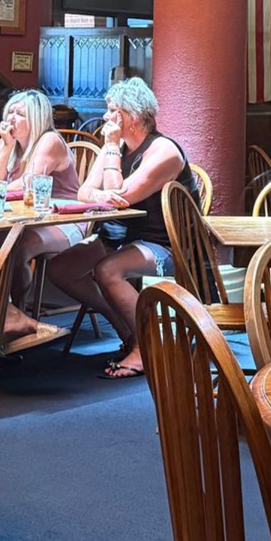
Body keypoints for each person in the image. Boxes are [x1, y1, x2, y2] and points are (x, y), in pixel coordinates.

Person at [47, 77, 196, 380]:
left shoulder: (163, 152)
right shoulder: (116, 147)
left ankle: (144, 347)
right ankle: (125, 328)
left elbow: (123, 196)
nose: (105, 117)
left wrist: (112, 152)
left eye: (112, 110)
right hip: (119, 236)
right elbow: (84, 192)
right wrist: (103, 194)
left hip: (165, 243)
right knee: (60, 269)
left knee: (107, 271)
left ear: (132, 116)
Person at [0, 89, 84, 335]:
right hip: (29, 220)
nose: (11, 119)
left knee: (18, 246)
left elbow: (28, 184)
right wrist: (7, 147)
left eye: (20, 114)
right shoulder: (7, 143)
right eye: (10, 111)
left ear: (36, 119)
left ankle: (18, 314)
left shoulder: (49, 141)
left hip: (67, 221)